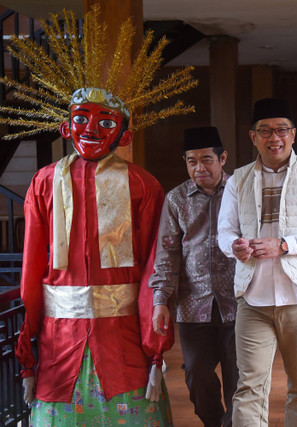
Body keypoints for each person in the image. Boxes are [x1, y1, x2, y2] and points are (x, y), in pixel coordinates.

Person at [8, 7, 197, 425]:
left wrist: (155, 344)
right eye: (81, 119)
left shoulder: (142, 184)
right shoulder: (43, 182)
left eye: (106, 122)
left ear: (124, 135)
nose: (91, 129)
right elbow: (31, 267)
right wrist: (27, 349)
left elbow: (155, 265)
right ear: (65, 127)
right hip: (60, 335)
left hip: (125, 335)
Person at [218, 98, 297, 426]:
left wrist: (286, 245)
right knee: (249, 386)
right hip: (253, 298)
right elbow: (224, 231)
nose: (275, 137)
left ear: (293, 134)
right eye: (265, 131)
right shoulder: (238, 180)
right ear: (252, 137)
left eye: (282, 130)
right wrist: (235, 246)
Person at [150, 126, 238, 427]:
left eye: (206, 160)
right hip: (193, 305)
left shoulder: (241, 190)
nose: (199, 168)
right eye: (191, 161)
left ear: (222, 158)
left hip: (239, 302)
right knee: (196, 374)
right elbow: (167, 254)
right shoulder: (176, 199)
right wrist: (160, 300)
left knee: (241, 377)